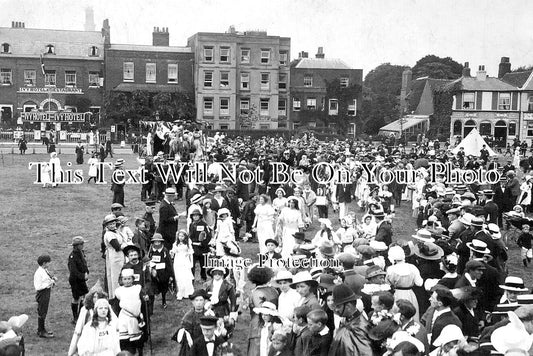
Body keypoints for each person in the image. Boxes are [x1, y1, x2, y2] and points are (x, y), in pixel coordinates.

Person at [328, 284, 372, 355]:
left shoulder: (359, 327)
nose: (336, 310)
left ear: (348, 306)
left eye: (338, 306)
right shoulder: (346, 321)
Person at [115, 268, 145, 355]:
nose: (127, 281)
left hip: (134, 317)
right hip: (124, 317)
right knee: (124, 338)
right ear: (122, 280)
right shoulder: (119, 290)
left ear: (133, 279)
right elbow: (117, 305)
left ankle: (140, 353)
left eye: (129, 279)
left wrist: (145, 299)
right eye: (125, 279)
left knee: (136, 338)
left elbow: (143, 300)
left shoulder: (137, 289)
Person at [103, 214, 126, 300]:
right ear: (107, 225)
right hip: (114, 256)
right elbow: (117, 246)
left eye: (113, 223)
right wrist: (125, 245)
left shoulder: (116, 231)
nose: (112, 226)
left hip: (119, 255)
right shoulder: (109, 234)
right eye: (110, 224)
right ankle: (115, 296)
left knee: (120, 273)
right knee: (115, 275)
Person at [148, 233, 173, 309]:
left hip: (163, 272)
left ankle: (164, 300)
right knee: (154, 286)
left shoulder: (164, 250)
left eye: (159, 242)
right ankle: (152, 301)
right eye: (155, 242)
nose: (157, 243)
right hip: (154, 271)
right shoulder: (151, 250)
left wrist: (171, 274)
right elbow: (149, 260)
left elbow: (168, 262)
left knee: (164, 286)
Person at [33, 254, 56, 338]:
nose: (49, 264)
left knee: (44, 311)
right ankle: (41, 331)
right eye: (47, 263)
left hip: (46, 292)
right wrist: (49, 283)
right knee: (42, 311)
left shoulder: (44, 270)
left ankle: (41, 330)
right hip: (42, 293)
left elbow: (47, 279)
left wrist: (52, 280)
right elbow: (38, 286)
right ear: (44, 263)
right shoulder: (39, 273)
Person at [68, 236, 89, 324]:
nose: (83, 245)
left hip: (81, 279)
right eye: (82, 244)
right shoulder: (73, 256)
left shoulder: (81, 253)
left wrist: (87, 272)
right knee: (76, 297)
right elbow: (73, 271)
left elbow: (84, 264)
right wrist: (82, 276)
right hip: (75, 280)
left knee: (84, 296)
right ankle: (75, 317)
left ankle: (81, 314)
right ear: (77, 245)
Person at [170, 230, 195, 300]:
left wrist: (188, 253)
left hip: (185, 260)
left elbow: (191, 251)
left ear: (185, 237)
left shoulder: (187, 243)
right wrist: (171, 252)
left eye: (182, 236)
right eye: (179, 236)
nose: (180, 237)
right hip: (178, 261)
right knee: (179, 277)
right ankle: (180, 293)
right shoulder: (175, 244)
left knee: (186, 276)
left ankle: (187, 292)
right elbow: (174, 251)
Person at [189, 208, 211, 281]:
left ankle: (203, 277)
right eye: (193, 216)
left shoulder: (204, 224)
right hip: (194, 247)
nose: (195, 217)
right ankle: (192, 278)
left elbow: (208, 236)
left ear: (200, 216)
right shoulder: (191, 225)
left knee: (202, 264)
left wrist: (202, 243)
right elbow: (190, 235)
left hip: (202, 248)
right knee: (192, 264)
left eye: (197, 215)